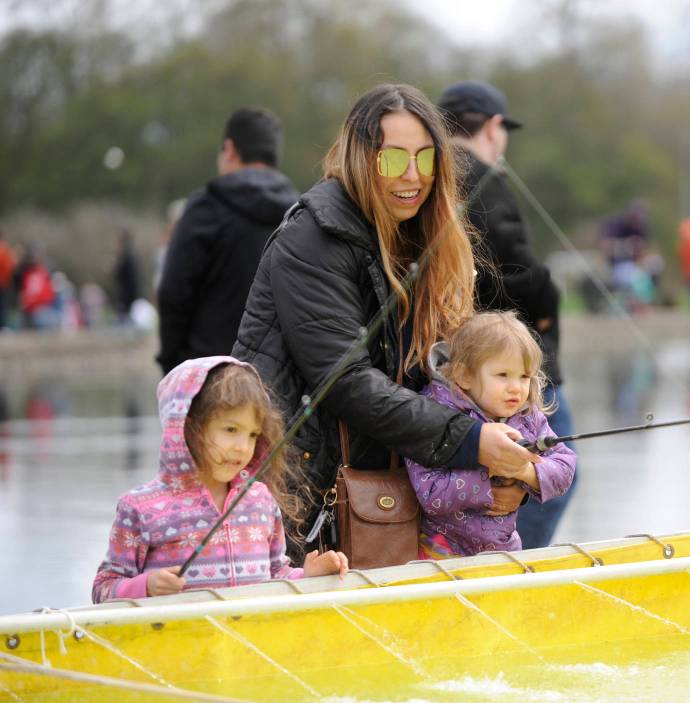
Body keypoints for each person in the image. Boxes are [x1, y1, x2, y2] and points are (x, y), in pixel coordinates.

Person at [233, 84, 539, 560]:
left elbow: (446, 378)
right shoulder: (312, 238)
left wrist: (507, 464)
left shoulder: (417, 233)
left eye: (426, 159)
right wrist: (472, 441)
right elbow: (346, 382)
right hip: (298, 493)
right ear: (361, 158)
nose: (413, 176)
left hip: (385, 490)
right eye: (394, 160)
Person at [438, 79, 579, 548]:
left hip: (458, 364)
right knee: (558, 469)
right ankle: (518, 562)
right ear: (494, 127)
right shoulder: (486, 181)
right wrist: (546, 295)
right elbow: (514, 271)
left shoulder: (430, 179)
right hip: (506, 356)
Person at [92, 357, 347, 603]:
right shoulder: (139, 507)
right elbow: (103, 589)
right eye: (231, 430)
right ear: (186, 427)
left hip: (248, 642)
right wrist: (145, 586)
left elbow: (276, 576)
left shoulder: (260, 499)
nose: (242, 447)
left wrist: (308, 577)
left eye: (252, 434)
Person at [406, 312, 575, 558]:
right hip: (438, 551)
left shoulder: (528, 416)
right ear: (464, 375)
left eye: (524, 376)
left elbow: (565, 468)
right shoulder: (435, 416)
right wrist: (490, 470)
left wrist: (523, 471)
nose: (516, 387)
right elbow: (431, 493)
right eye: (502, 375)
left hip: (503, 551)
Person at [157, 108, 298, 374]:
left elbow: (173, 292)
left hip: (211, 375)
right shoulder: (299, 213)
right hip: (279, 380)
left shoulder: (207, 207)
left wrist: (171, 364)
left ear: (230, 149)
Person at [112, 228, 139, 325]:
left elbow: (120, 274)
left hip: (126, 294)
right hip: (129, 293)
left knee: (124, 318)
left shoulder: (126, 255)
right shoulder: (130, 253)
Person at [0, 228, 16, 329]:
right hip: (3, 283)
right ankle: (3, 325)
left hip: (3, 282)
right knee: (2, 306)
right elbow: (9, 267)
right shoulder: (4, 248)